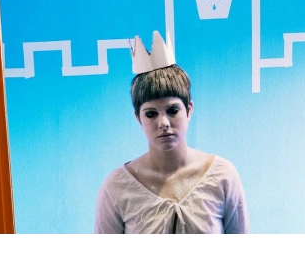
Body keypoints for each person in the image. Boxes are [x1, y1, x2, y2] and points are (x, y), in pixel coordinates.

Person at [94, 31, 250, 235]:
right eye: (151, 114)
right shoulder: (116, 187)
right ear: (138, 118)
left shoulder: (223, 176)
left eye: (173, 110)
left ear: (189, 110)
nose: (163, 123)